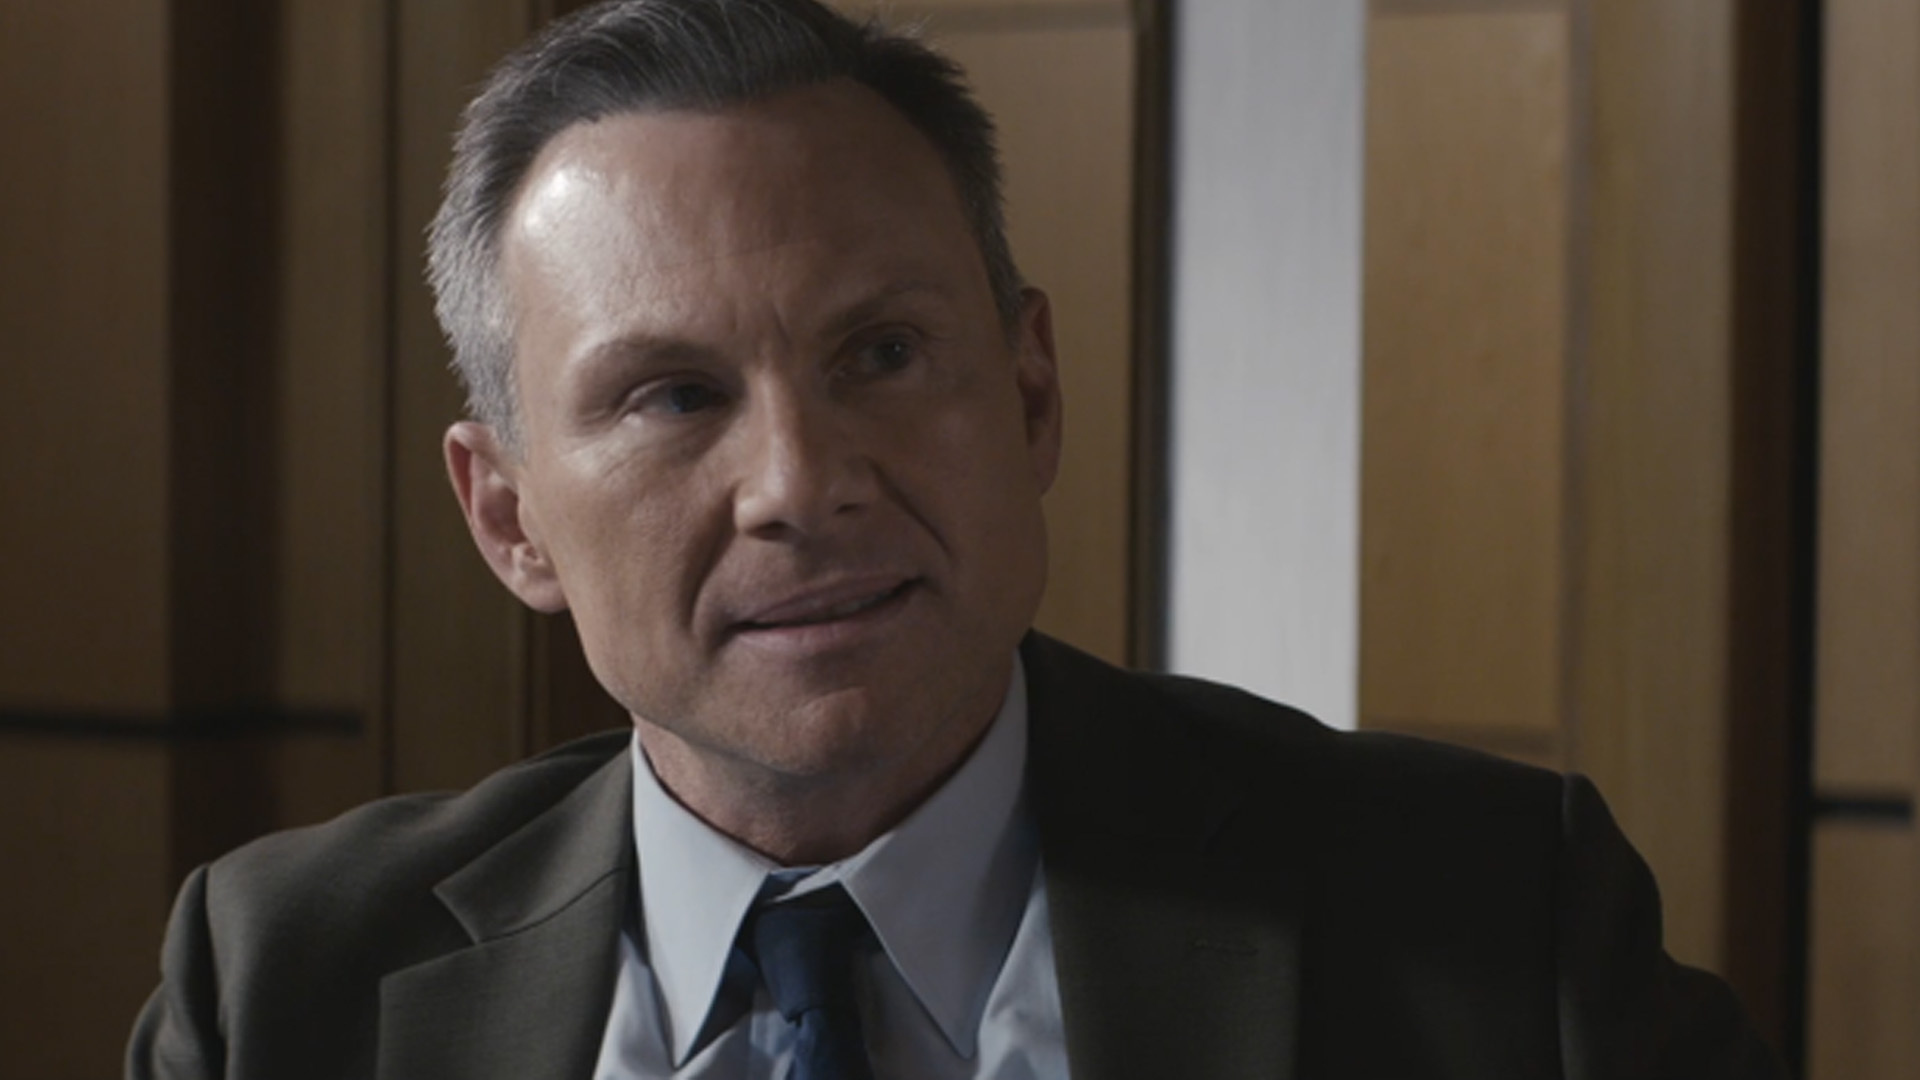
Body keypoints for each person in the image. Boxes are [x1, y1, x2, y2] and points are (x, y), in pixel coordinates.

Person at [127, 1, 1785, 1077]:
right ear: (508, 519)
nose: (800, 483)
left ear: (1034, 395)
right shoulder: (282, 988)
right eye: (673, 396)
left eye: (883, 355)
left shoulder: (1493, 929)